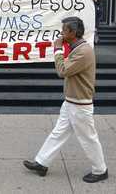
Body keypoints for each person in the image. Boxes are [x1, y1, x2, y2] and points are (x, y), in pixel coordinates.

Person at [23, 16, 108, 183]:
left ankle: (100, 170)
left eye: (64, 30)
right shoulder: (77, 48)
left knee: (88, 137)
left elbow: (62, 70)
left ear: (73, 32)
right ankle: (42, 163)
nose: (61, 33)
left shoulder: (83, 51)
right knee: (58, 133)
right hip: (71, 101)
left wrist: (57, 50)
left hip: (80, 104)